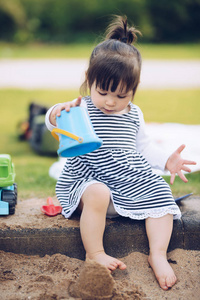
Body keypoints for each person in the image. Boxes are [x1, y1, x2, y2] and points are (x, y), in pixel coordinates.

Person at [45, 16, 196, 290]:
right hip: (87, 183)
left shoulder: (134, 114)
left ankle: (158, 254)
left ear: (133, 92)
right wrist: (57, 112)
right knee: (99, 192)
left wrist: (167, 160)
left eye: (122, 95)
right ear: (90, 82)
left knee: (161, 194)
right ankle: (95, 253)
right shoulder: (80, 108)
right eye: (103, 92)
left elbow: (144, 146)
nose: (111, 101)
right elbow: (52, 119)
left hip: (125, 181)